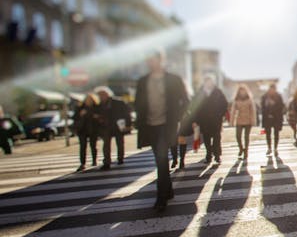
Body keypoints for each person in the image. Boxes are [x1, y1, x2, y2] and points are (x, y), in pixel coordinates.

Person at [134, 50, 189, 212]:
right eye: (148, 60)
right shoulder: (143, 81)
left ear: (160, 60)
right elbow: (137, 103)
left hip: (167, 124)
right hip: (150, 125)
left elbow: (185, 101)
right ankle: (169, 190)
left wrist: (177, 118)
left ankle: (161, 197)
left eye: (153, 59)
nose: (150, 62)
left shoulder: (173, 79)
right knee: (160, 159)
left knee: (161, 159)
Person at [95, 87, 132, 170]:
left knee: (120, 142)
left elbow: (127, 113)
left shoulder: (118, 102)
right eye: (100, 95)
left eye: (102, 94)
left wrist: (128, 125)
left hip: (118, 125)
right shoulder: (99, 104)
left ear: (107, 94)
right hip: (106, 126)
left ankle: (120, 158)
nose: (101, 96)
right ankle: (107, 162)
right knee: (106, 145)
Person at [194, 76, 228, 165]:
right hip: (204, 120)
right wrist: (197, 119)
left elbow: (224, 104)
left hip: (216, 119)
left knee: (217, 138)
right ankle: (208, 155)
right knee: (206, 139)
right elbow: (195, 106)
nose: (209, 84)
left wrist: (220, 114)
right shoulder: (200, 92)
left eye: (210, 82)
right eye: (207, 82)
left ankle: (217, 156)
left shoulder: (218, 91)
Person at [230, 84, 257, 161]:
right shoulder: (236, 100)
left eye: (244, 90)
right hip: (239, 120)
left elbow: (253, 111)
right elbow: (233, 111)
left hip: (248, 120)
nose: (242, 92)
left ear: (246, 91)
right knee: (238, 136)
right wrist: (232, 122)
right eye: (241, 91)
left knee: (246, 137)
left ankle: (246, 151)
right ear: (239, 92)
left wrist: (253, 121)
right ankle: (241, 148)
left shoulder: (249, 99)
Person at [74, 94, 99, 171]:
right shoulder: (80, 108)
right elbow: (74, 117)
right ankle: (82, 163)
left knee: (93, 146)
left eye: (90, 99)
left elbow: (100, 117)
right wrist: (81, 114)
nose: (88, 101)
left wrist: (96, 116)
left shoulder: (96, 107)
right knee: (82, 147)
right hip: (82, 130)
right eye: (87, 99)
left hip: (93, 129)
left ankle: (94, 160)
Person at [260, 83, 285, 157]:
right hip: (267, 118)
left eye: (273, 89)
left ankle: (275, 148)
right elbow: (262, 107)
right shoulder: (265, 96)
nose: (272, 90)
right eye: (271, 89)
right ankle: (269, 148)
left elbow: (281, 106)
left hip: (276, 118)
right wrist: (267, 113)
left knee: (276, 133)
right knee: (268, 134)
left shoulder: (278, 96)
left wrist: (274, 111)